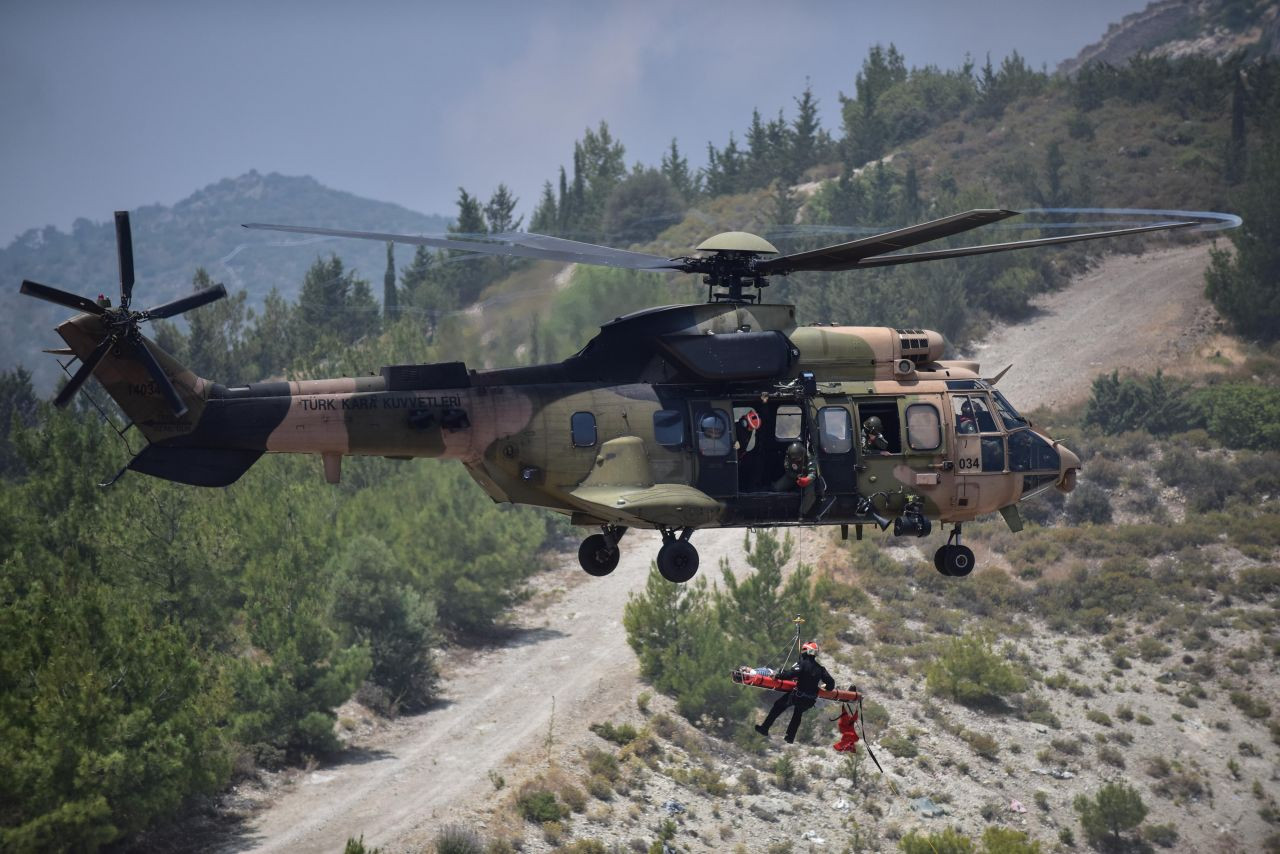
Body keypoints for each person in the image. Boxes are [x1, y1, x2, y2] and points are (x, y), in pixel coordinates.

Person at [755, 641, 835, 743]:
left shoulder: (802, 664)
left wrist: (777, 675)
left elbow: (790, 674)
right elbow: (831, 684)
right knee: (798, 714)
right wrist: (826, 687)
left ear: (805, 651)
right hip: (810, 700)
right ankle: (790, 737)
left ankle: (765, 728)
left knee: (778, 705)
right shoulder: (820, 669)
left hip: (798, 696)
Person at [772, 441, 818, 515]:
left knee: (810, 494)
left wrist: (806, 479)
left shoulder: (809, 457)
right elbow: (788, 470)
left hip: (806, 478)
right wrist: (796, 476)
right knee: (777, 488)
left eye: (799, 458)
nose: (796, 460)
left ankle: (802, 512)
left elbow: (812, 474)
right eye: (794, 459)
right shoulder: (788, 457)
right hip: (793, 475)